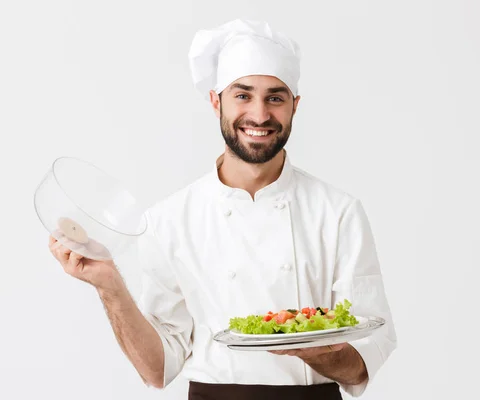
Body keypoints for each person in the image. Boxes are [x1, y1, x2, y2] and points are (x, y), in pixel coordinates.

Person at [49, 19, 397, 400]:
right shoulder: (170, 219)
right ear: (216, 100)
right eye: (243, 96)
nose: (260, 115)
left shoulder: (338, 213)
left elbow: (366, 355)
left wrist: (313, 351)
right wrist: (109, 285)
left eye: (275, 98)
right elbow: (156, 370)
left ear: (295, 106)